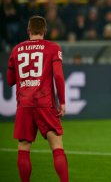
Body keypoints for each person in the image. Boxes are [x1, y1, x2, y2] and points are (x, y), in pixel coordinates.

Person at [6, 15, 68, 182]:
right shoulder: (53, 48)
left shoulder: (16, 50)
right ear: (44, 31)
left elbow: (10, 80)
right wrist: (61, 101)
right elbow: (59, 77)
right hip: (44, 103)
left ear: (28, 31)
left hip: (24, 104)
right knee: (56, 146)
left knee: (23, 148)